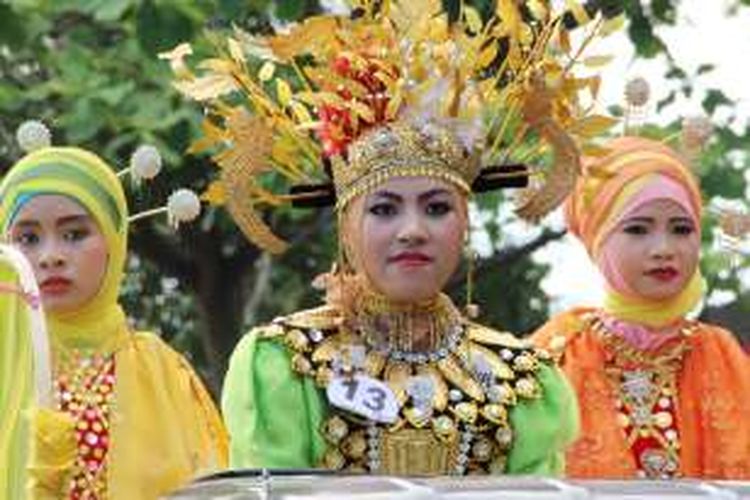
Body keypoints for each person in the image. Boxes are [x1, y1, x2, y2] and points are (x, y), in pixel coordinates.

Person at [164, 0, 631, 474]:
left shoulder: (524, 381)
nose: (413, 231)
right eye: (384, 209)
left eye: (436, 208)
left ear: (465, 222)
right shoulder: (286, 365)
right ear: (346, 227)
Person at [0, 144, 228, 498]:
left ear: (114, 240)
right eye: (28, 238)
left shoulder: (162, 372)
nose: (50, 257)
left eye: (75, 234)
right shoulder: (6, 364)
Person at [531, 136, 750, 478]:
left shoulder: (722, 353)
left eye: (681, 229)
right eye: (637, 229)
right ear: (597, 239)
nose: (664, 248)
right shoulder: (555, 353)